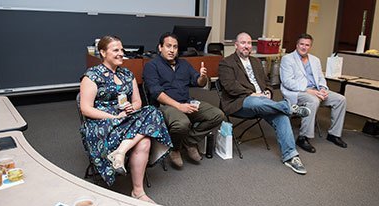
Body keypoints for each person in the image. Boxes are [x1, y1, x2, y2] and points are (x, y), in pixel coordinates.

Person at [80, 35, 172, 203]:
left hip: (126, 120)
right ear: (102, 52)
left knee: (152, 111)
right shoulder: (92, 75)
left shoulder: (127, 74)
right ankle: (122, 157)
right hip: (102, 124)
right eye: (116, 50)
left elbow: (137, 102)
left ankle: (134, 183)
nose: (121, 53)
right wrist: (114, 116)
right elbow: (86, 108)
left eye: (122, 50)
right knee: (145, 136)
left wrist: (132, 107)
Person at [218, 32, 310, 175]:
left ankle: (291, 156)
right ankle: (288, 107)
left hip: (264, 102)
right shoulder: (226, 63)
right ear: (236, 45)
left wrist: (267, 92)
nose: (246, 46)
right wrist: (253, 94)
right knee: (256, 102)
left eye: (249, 43)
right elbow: (230, 86)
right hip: (240, 103)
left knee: (281, 115)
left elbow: (267, 83)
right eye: (243, 43)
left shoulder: (255, 62)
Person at [143, 32, 225, 168]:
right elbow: (156, 93)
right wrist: (179, 106)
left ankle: (189, 142)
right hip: (164, 106)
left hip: (187, 101)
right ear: (160, 47)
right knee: (182, 123)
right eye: (168, 46)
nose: (172, 50)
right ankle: (175, 148)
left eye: (175, 47)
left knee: (217, 115)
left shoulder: (184, 64)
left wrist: (203, 77)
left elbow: (198, 82)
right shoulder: (152, 66)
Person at [280, 33, 347, 153]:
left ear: (310, 47)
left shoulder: (315, 60)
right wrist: (308, 91)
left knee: (340, 99)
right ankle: (303, 137)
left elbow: (321, 77)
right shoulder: (287, 59)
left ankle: (334, 134)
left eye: (307, 45)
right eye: (302, 44)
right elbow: (287, 82)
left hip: (316, 90)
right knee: (313, 100)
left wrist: (323, 89)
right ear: (297, 45)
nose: (304, 47)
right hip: (297, 92)